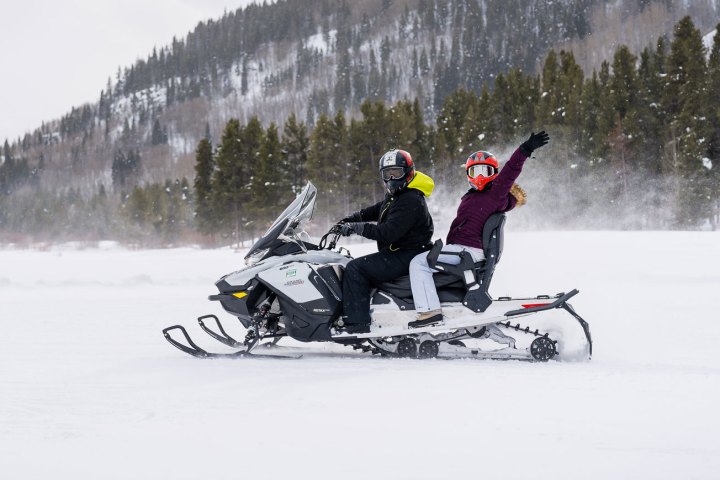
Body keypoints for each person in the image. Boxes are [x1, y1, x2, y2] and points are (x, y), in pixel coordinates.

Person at [408, 131, 550, 326]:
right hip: (462, 249)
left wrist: (524, 149)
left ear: (494, 175)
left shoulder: (495, 194)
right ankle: (436, 301)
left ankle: (430, 312)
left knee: (418, 263)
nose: (480, 176)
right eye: (475, 172)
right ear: (469, 175)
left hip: (469, 252)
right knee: (423, 256)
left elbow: (511, 170)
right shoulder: (471, 196)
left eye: (486, 171)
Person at [337, 149, 435, 333]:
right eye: (387, 174)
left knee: (355, 268)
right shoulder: (399, 195)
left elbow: (387, 233)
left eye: (396, 172)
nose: (391, 178)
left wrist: (357, 228)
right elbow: (378, 209)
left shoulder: (410, 199)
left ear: (408, 172)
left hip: (408, 254)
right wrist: (352, 218)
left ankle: (356, 325)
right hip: (403, 251)